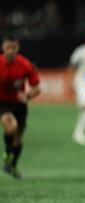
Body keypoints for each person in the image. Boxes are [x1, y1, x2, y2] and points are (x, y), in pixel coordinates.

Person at [0, 35, 41, 179]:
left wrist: (28, 96)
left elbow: (37, 87)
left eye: (14, 47)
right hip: (2, 103)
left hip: (19, 104)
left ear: (18, 48)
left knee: (18, 139)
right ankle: (6, 153)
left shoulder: (25, 64)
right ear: (3, 48)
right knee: (11, 127)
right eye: (8, 47)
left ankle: (12, 165)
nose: (11, 50)